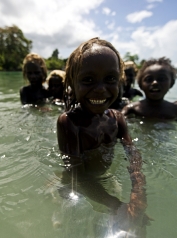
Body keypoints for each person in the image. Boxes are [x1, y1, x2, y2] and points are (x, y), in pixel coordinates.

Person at [56, 37, 147, 233]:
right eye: (88, 79)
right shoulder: (69, 122)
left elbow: (133, 157)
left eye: (110, 79)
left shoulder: (118, 119)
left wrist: (137, 198)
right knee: (72, 222)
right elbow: (76, 175)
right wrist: (116, 204)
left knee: (124, 227)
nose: (100, 88)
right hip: (75, 185)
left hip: (105, 180)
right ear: (72, 81)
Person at [121, 57, 177, 121]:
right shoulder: (131, 109)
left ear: (171, 83)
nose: (155, 83)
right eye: (149, 79)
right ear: (140, 85)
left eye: (161, 79)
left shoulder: (176, 109)